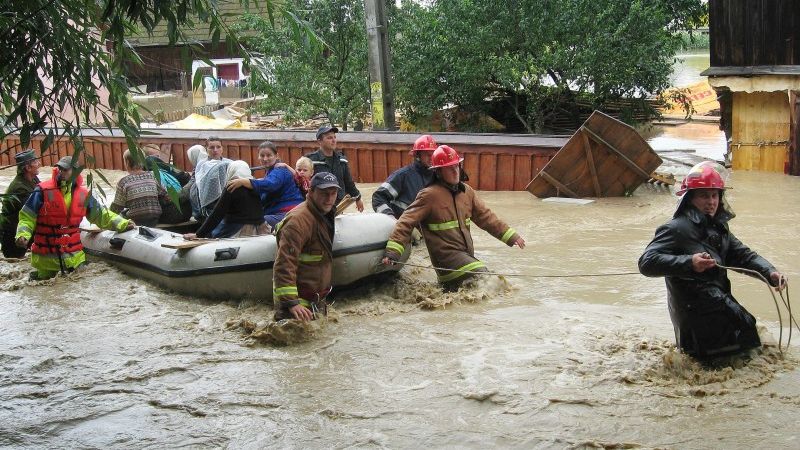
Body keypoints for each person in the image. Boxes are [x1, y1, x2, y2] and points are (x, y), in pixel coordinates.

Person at [639, 161, 786, 362]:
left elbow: (743, 256)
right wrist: (689, 262)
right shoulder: (675, 229)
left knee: (745, 336)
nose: (711, 202)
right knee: (730, 348)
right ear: (690, 198)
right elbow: (647, 262)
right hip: (694, 311)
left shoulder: (719, 227)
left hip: (717, 302)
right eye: (704, 196)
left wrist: (770, 273)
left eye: (714, 195)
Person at [382, 145, 525, 289]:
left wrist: (512, 237)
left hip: (465, 257)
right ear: (438, 172)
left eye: (456, 166)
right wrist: (393, 252)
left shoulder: (467, 192)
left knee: (483, 288)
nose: (455, 171)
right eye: (449, 168)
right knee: (489, 281)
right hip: (446, 262)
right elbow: (406, 221)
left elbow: (486, 218)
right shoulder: (429, 195)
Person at [16, 156, 134, 280]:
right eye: (60, 168)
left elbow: (101, 215)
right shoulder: (42, 191)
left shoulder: (83, 194)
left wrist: (122, 223)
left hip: (74, 257)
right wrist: (22, 235)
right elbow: (27, 217)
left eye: (66, 169)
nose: (61, 172)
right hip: (46, 260)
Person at [272, 172, 340, 321]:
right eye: (324, 193)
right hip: (297, 306)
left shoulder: (323, 215)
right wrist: (291, 303)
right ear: (311, 191)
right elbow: (284, 263)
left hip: (315, 301)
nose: (329, 199)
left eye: (333, 193)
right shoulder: (298, 222)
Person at [185, 160, 270, 239]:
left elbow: (217, 214)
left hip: (238, 230)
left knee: (214, 233)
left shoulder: (232, 186)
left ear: (231, 171)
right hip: (261, 229)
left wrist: (198, 234)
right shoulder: (255, 185)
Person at [226, 141, 303, 227]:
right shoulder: (270, 172)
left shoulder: (280, 170)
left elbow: (270, 184)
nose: (265, 159)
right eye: (262, 156)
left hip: (288, 213)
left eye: (269, 155)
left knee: (253, 223)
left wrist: (244, 182)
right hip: (278, 212)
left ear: (276, 156)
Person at [372, 134, 437, 218]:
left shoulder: (437, 176)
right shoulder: (403, 175)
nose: (432, 158)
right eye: (428, 155)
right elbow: (378, 198)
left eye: (433, 154)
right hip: (404, 228)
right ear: (417, 155)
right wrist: (389, 217)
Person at [305, 125, 363, 211]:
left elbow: (349, 182)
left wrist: (358, 198)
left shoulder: (342, 160)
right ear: (319, 141)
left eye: (334, 137)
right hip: (318, 206)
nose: (333, 140)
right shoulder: (310, 160)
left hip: (338, 205)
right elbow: (302, 182)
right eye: (329, 138)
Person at [1, 149, 41, 258]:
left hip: (23, 233)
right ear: (28, 168)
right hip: (14, 237)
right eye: (36, 162)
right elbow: (35, 211)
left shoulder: (33, 179)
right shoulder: (19, 188)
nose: (39, 164)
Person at [110, 149, 163, 227]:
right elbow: (163, 194)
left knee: (120, 215)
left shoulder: (123, 182)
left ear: (127, 163)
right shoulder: (154, 176)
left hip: (134, 219)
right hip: (154, 217)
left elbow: (117, 206)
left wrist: (108, 215)